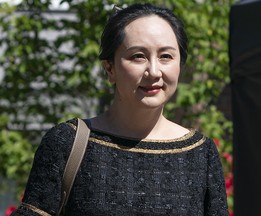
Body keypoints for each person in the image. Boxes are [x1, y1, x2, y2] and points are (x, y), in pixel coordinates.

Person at [12, 3, 228, 216]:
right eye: (138, 56)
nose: (153, 71)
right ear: (110, 69)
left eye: (166, 56)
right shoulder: (67, 143)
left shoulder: (201, 152)